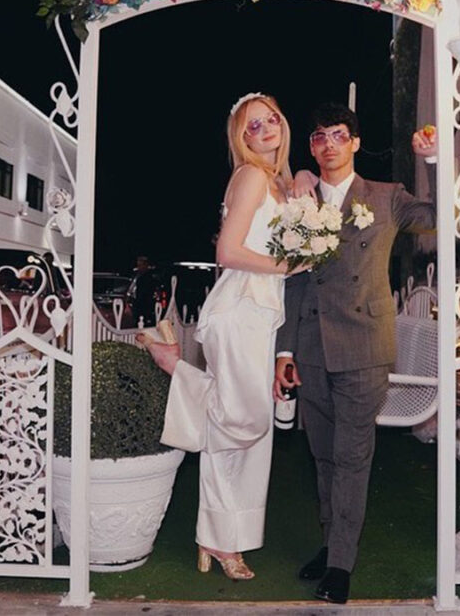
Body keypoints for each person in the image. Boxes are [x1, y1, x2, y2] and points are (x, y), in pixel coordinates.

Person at [273, 102, 438, 604]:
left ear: (356, 143)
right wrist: (285, 351)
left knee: (351, 457)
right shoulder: (300, 201)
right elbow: (292, 280)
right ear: (311, 147)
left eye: (338, 135)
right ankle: (332, 545)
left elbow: (438, 218)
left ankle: (340, 565)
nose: (329, 144)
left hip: (365, 345)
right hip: (312, 345)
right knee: (323, 455)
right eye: (319, 136)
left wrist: (432, 162)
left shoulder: (386, 197)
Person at [138, 93, 304, 581]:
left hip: (261, 313)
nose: (266, 128)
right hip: (239, 308)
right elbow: (228, 252)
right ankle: (174, 365)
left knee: (249, 431)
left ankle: (223, 538)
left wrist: (302, 186)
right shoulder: (251, 175)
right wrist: (286, 266)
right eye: (254, 125)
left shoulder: (276, 181)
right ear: (241, 138)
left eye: (271, 119)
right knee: (241, 420)